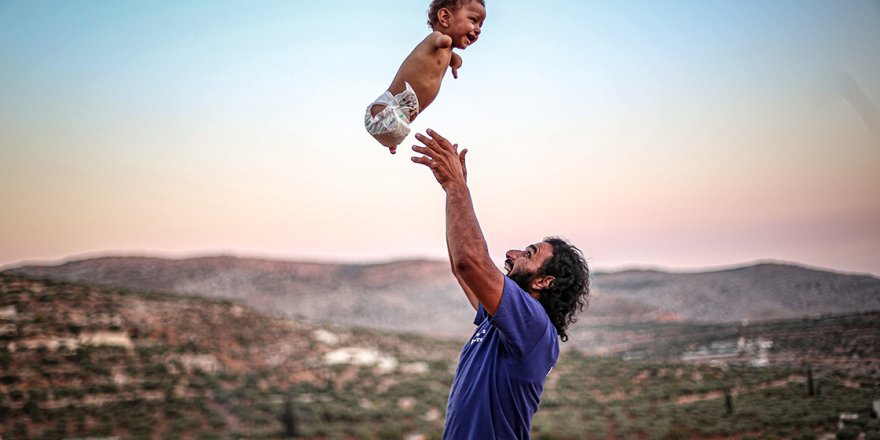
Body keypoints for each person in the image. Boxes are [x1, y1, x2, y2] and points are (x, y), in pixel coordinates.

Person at [410, 129, 592, 439]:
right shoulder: (506, 322)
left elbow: (471, 261)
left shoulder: (532, 323)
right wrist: (453, 189)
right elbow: (461, 266)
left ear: (546, 281)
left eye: (528, 254)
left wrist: (457, 187)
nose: (512, 254)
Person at [364, 0, 486, 155]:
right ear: (444, 18)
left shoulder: (448, 53)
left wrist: (455, 65)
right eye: (474, 20)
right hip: (386, 108)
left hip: (400, 120)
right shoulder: (435, 39)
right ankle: (389, 137)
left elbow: (457, 60)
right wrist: (445, 41)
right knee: (394, 122)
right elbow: (440, 40)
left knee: (395, 132)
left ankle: (390, 140)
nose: (479, 30)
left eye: (481, 25)